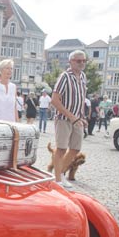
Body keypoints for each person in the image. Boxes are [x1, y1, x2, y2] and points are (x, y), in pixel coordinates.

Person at [51, 50, 88, 190]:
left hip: (77, 119)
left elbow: (82, 98)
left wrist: (82, 116)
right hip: (64, 118)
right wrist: (71, 116)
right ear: (71, 62)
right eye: (78, 61)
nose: (82, 63)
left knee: (75, 149)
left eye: (84, 61)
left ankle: (60, 173)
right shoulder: (65, 77)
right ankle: (57, 180)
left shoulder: (83, 77)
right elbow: (54, 100)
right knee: (61, 148)